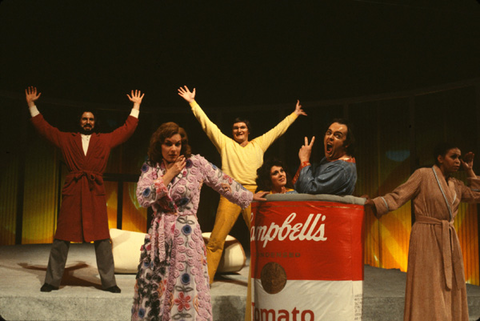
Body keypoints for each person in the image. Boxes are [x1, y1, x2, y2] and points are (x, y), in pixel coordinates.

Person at [132, 122, 266, 321]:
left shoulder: (196, 164)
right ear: (159, 145)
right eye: (168, 144)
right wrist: (168, 175)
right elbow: (143, 198)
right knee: (155, 293)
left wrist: (248, 196)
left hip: (186, 238)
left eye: (177, 144)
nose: (173, 149)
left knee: (185, 291)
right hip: (158, 241)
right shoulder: (151, 168)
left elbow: (223, 181)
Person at [177, 85, 307, 284]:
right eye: (236, 128)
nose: (239, 131)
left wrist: (294, 115)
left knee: (261, 240)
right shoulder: (225, 144)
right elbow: (207, 125)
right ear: (233, 132)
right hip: (229, 193)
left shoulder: (258, 144)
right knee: (216, 241)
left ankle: (268, 280)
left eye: (242, 128)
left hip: (253, 195)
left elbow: (277, 131)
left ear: (248, 131)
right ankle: (205, 282)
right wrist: (192, 102)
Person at [25, 86, 144, 293]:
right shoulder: (66, 139)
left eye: (90, 119)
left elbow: (125, 131)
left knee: (101, 238)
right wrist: (31, 105)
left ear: (94, 122)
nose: (87, 122)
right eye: (84, 119)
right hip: (73, 191)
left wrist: (136, 107)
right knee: (61, 237)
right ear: (79, 121)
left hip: (94, 192)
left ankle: (109, 282)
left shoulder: (104, 140)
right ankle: (51, 281)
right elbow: (45, 129)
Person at [365, 143, 480, 321]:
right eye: (453, 157)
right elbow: (399, 195)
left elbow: (476, 195)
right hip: (426, 235)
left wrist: (470, 171)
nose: (458, 161)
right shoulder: (423, 175)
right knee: (429, 284)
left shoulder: (456, 184)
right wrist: (375, 202)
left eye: (459, 157)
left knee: (449, 285)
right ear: (440, 158)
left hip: (448, 238)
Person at [293, 118, 357, 195]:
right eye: (329, 133)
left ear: (347, 143)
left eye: (337, 136)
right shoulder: (329, 159)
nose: (330, 137)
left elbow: (308, 191)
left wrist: (304, 160)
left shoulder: (341, 169)